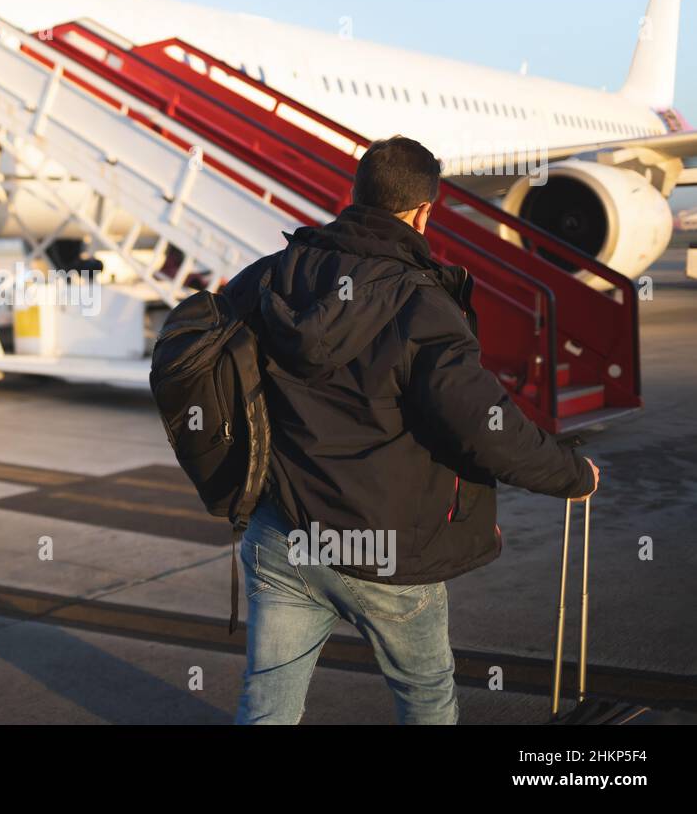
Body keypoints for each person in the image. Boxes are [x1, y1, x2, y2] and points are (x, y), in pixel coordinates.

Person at [222, 135, 600, 725]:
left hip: (285, 533)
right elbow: (482, 424)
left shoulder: (270, 277)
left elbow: (209, 365)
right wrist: (570, 473)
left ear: (357, 194)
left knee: (267, 702)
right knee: (425, 698)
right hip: (388, 545)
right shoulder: (420, 302)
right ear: (425, 211)